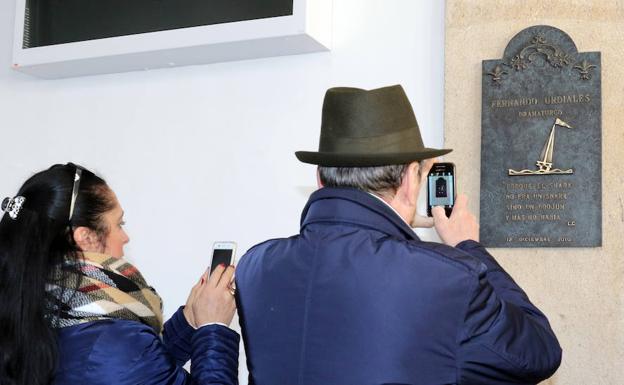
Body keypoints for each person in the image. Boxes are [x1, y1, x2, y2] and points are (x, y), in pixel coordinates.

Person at [235, 85, 562, 384]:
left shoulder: (256, 266)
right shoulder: (448, 277)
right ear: (408, 178)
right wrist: (468, 246)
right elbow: (539, 353)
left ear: (320, 178)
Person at [0, 163, 239, 385]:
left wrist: (188, 323)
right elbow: (124, 361)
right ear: (86, 238)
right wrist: (213, 327)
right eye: (119, 224)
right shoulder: (112, 343)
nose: (125, 238)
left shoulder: (35, 308)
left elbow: (140, 372)